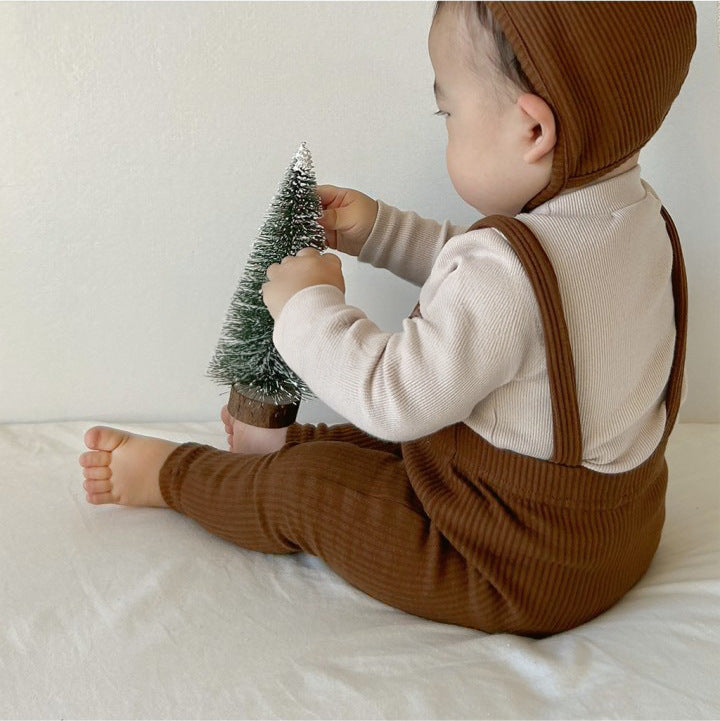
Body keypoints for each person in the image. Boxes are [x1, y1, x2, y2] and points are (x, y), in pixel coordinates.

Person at [78, 2, 696, 636]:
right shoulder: (636, 220)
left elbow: (393, 396)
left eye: (448, 113)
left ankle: (171, 476)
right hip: (617, 537)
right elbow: (497, 291)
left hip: (507, 566)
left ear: (533, 130)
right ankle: (280, 444)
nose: (446, 126)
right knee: (419, 445)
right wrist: (381, 231)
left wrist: (306, 306)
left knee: (311, 487)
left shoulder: (506, 272)